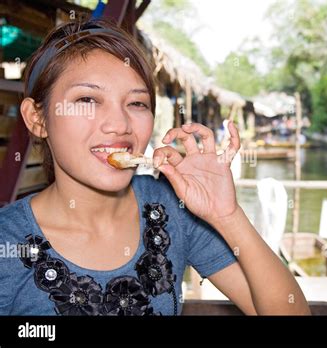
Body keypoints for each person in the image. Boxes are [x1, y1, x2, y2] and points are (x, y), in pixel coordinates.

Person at [0, 19, 310, 316]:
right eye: (87, 99)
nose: (120, 125)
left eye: (137, 103)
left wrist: (227, 216)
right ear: (37, 119)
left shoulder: (170, 208)